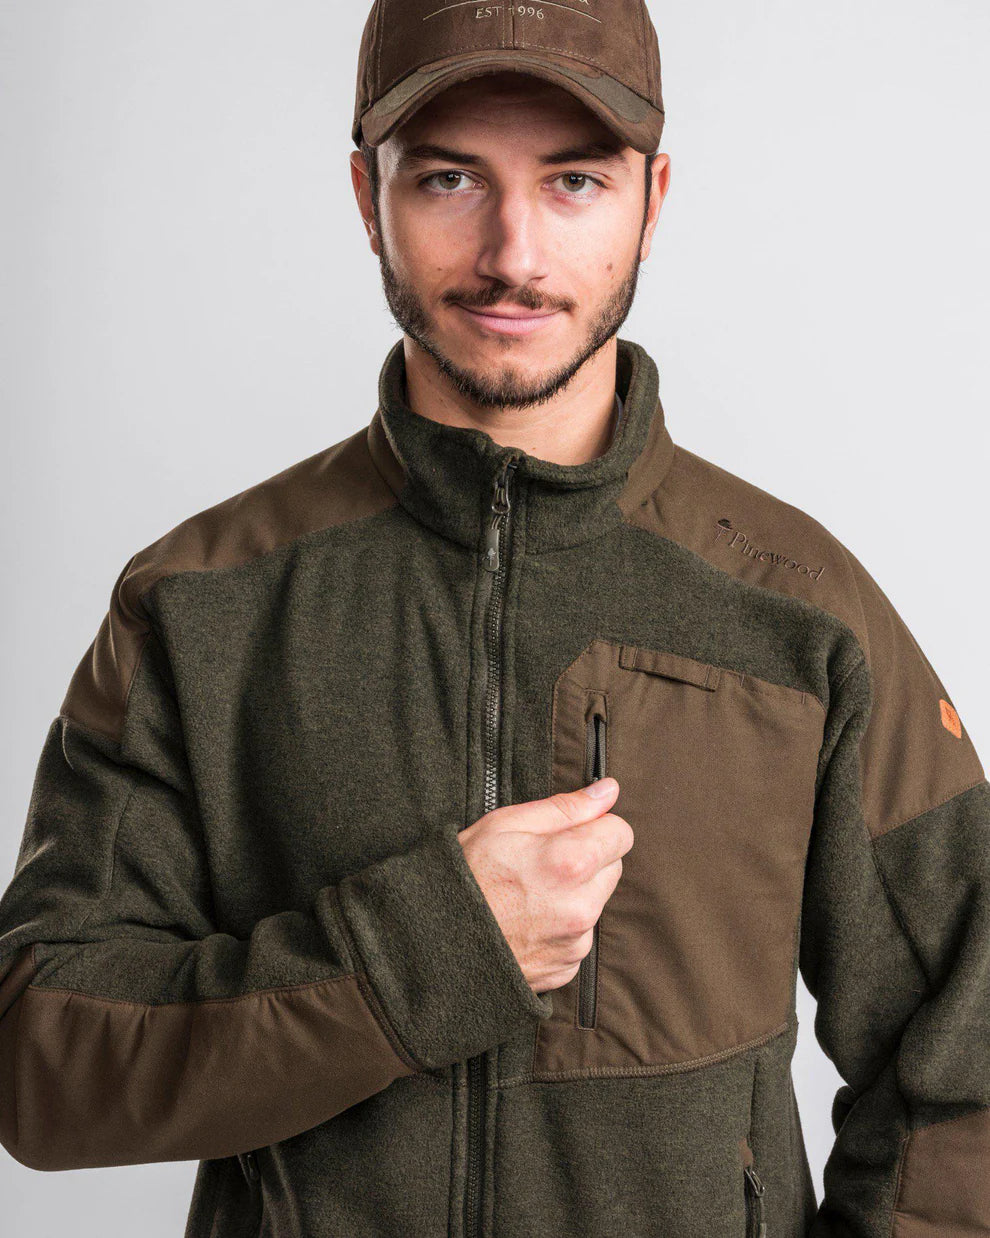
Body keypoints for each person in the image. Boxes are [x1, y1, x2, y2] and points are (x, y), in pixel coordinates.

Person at [1, 0, 987, 1234]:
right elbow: (40, 1060)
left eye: (574, 181)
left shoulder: (799, 613)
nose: (514, 253)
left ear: (653, 199)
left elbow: (970, 1041)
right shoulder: (198, 606)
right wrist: (422, 956)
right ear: (367, 196)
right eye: (450, 179)